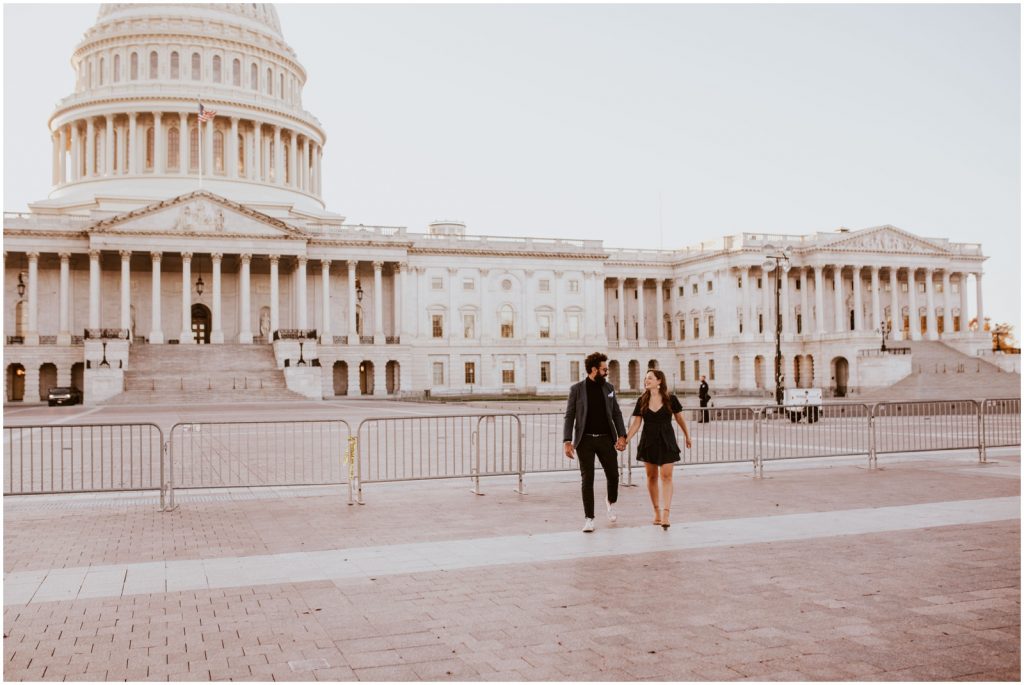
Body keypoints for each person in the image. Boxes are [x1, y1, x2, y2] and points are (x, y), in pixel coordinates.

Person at [563, 351, 627, 533]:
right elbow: (569, 416)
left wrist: (622, 435)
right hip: (585, 441)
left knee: (614, 475)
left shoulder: (609, 389)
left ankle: (610, 501)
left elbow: (616, 413)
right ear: (593, 370)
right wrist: (567, 441)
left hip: (606, 439)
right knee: (587, 479)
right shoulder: (576, 390)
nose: (607, 372)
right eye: (604, 369)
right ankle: (589, 518)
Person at [625, 369, 692, 529]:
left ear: (659, 381)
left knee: (667, 476)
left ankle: (666, 514)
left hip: (667, 440)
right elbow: (636, 423)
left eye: (650, 378)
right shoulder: (642, 400)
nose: (646, 380)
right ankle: (656, 511)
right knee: (652, 477)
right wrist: (626, 440)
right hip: (648, 441)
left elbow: (680, 418)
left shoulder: (671, 399)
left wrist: (687, 436)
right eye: (645, 378)